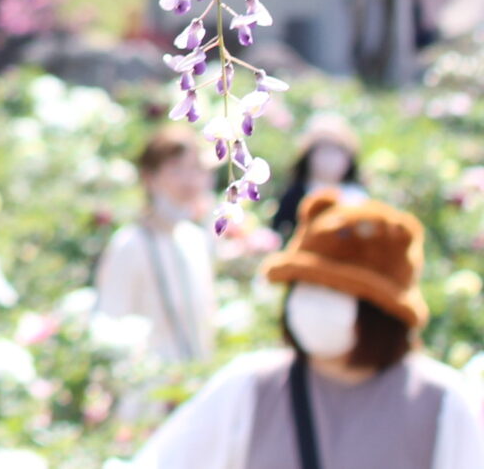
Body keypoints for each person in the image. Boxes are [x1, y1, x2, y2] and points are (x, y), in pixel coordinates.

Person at [129, 189, 484, 468]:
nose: (314, 304)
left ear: (382, 311)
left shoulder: (440, 402)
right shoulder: (252, 386)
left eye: (334, 291)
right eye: (305, 286)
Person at [95, 126, 220, 366]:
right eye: (176, 170)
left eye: (196, 169)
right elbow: (110, 324)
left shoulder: (195, 240)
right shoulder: (130, 244)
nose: (190, 181)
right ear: (149, 178)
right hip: (147, 388)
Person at [272, 114, 366, 241]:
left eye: (337, 151)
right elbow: (280, 232)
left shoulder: (358, 196)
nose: (329, 159)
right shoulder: (294, 195)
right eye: (323, 150)